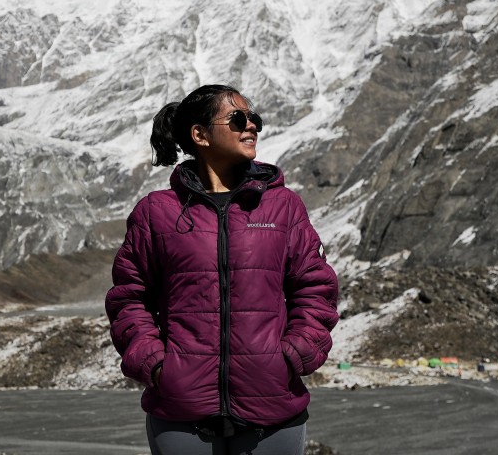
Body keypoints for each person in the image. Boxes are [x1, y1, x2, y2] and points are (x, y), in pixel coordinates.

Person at [106, 84, 339, 455]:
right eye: (238, 119)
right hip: (182, 413)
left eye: (253, 118)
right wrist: (157, 366)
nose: (252, 126)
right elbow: (129, 298)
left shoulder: (283, 206)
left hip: (273, 409)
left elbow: (315, 288)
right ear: (200, 135)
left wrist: (292, 356)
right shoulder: (156, 213)